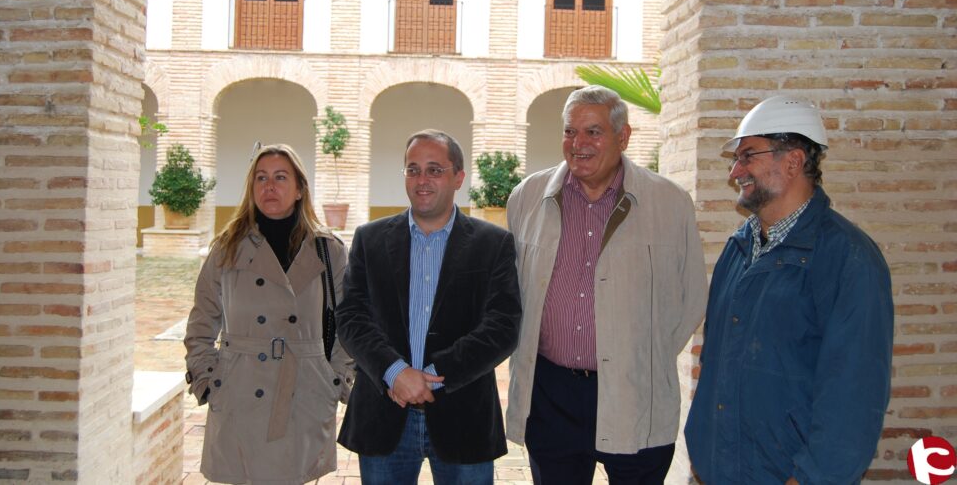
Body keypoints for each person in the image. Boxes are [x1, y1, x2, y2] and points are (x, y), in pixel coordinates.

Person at [684, 95, 894, 484]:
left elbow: (854, 397)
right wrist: (702, 452)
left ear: (793, 161)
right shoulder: (739, 247)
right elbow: (714, 363)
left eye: (748, 156)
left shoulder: (848, 259)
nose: (735, 171)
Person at [506, 85, 707, 485]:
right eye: (569, 131)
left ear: (623, 136)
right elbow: (512, 292)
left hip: (636, 394)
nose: (578, 144)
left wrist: (641, 356)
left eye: (593, 132)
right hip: (551, 396)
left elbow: (690, 299)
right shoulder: (527, 197)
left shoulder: (670, 202)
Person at [336, 129, 521, 485]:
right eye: (413, 169)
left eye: (435, 170)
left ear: (458, 178)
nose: (422, 180)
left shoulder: (492, 244)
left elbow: (502, 326)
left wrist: (433, 376)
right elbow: (352, 317)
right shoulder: (369, 239)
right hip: (383, 414)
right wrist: (395, 372)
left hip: (464, 416)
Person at [184, 143, 354, 484]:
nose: (269, 186)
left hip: (304, 390)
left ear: (299, 188)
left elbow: (348, 325)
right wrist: (207, 380)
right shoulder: (227, 248)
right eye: (261, 178)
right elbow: (202, 319)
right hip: (239, 388)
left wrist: (336, 380)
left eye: (280, 177)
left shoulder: (328, 249)